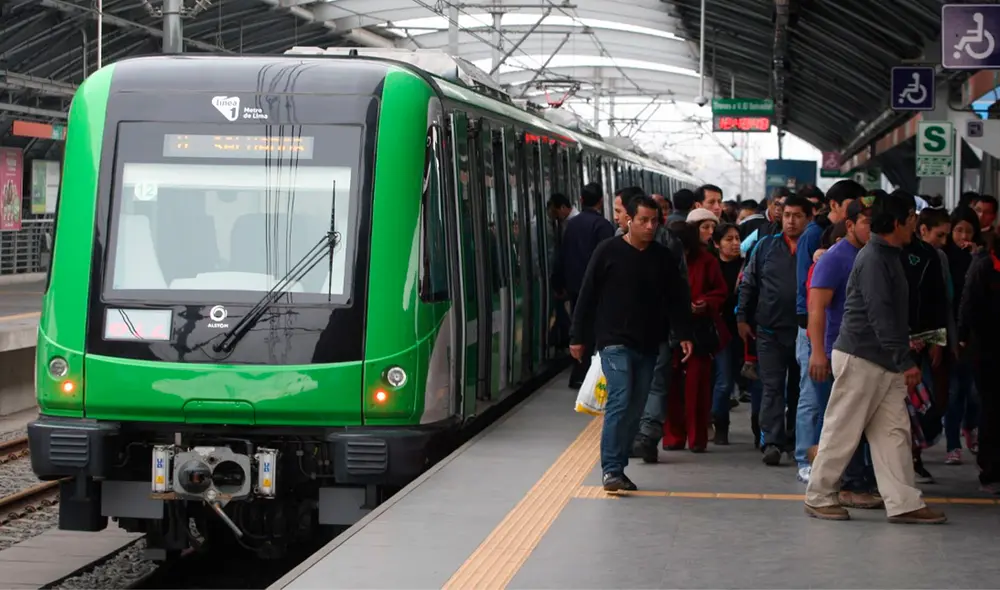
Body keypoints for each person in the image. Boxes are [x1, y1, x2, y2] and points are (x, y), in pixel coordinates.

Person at [804, 191, 946, 524]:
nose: (915, 224)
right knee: (842, 430)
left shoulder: (887, 255)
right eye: (911, 219)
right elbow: (881, 315)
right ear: (897, 222)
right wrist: (905, 360)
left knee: (893, 434)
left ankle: (904, 502)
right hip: (862, 358)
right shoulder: (875, 259)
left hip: (881, 361)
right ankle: (819, 495)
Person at [570, 194, 694, 492]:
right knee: (621, 399)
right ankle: (611, 469)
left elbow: (677, 299)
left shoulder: (662, 257)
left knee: (637, 407)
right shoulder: (607, 251)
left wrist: (684, 333)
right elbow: (586, 295)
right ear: (629, 221)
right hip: (613, 340)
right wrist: (577, 337)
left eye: (654, 221)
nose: (650, 226)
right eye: (643, 220)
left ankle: (619, 465)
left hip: (650, 342)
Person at [806, 200, 881, 508]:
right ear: (849, 225)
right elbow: (816, 308)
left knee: (855, 423)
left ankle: (830, 459)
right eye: (867, 224)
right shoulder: (835, 259)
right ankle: (849, 485)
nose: (873, 231)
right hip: (840, 350)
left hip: (866, 352)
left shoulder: (870, 256)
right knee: (846, 423)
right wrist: (817, 353)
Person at [794, 180, 865, 482]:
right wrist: (817, 349)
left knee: (834, 411)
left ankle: (830, 466)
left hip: (842, 346)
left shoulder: (864, 253)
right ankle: (810, 459)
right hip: (820, 338)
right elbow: (814, 302)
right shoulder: (825, 247)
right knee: (818, 402)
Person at [737, 195, 811, 466]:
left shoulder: (814, 248)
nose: (791, 220)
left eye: (797, 215)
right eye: (787, 214)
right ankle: (772, 441)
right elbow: (748, 282)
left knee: (799, 389)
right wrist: (742, 317)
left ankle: (794, 438)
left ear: (808, 218)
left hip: (804, 332)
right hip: (768, 330)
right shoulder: (766, 246)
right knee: (772, 387)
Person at [663, 215, 729, 452]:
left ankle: (697, 437)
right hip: (669, 329)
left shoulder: (707, 261)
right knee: (670, 386)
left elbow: (721, 291)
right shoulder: (662, 259)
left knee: (696, 388)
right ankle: (673, 436)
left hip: (699, 331)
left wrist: (704, 303)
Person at [560, 183, 615, 388]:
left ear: (581, 200)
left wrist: (560, 282)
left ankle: (578, 371)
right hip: (598, 289)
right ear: (601, 200)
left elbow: (562, 254)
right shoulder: (603, 226)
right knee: (595, 332)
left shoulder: (571, 224)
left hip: (575, 286)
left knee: (580, 327)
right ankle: (587, 374)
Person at [957, 237, 1000, 495]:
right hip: (988, 351)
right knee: (992, 410)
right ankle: (991, 470)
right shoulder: (984, 265)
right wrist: (963, 337)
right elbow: (969, 303)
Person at [942, 206, 982, 463]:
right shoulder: (944, 258)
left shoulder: (982, 258)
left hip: (977, 336)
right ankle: (952, 444)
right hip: (951, 334)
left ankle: (971, 428)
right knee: (954, 392)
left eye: (968, 230)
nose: (963, 235)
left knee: (975, 391)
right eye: (958, 230)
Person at [711, 222, 743, 444]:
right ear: (716, 244)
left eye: (737, 239)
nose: (735, 244)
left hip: (743, 330)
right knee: (723, 381)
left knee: (742, 380)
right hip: (719, 332)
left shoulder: (746, 265)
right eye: (728, 239)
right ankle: (719, 423)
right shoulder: (711, 267)